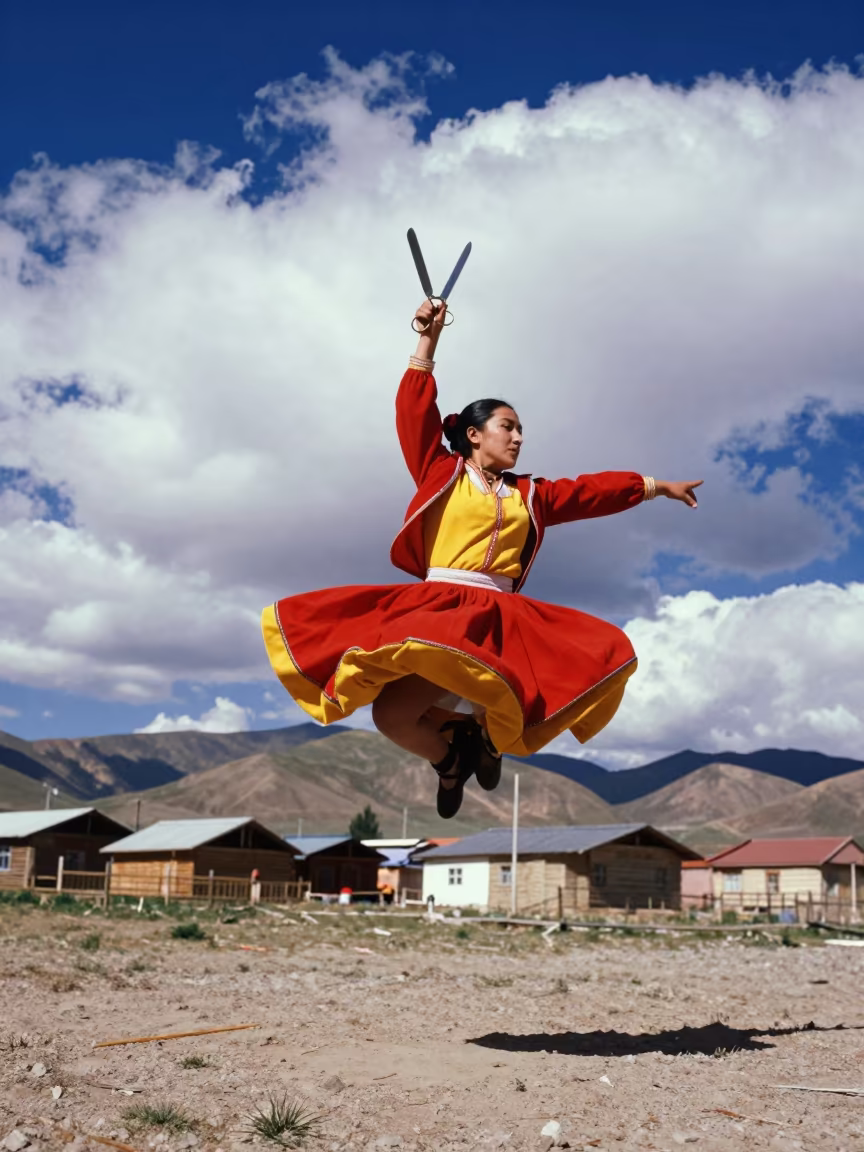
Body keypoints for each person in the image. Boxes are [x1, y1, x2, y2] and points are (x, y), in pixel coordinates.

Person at [261, 298, 702, 819]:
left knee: (590, 655)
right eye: (506, 426)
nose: (517, 437)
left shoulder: (531, 494)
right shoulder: (439, 471)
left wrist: (653, 487)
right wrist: (428, 338)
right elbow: (413, 414)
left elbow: (588, 491)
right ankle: (453, 757)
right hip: (439, 608)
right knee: (390, 715)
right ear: (474, 435)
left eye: (520, 431)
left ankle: (484, 737)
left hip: (497, 617)